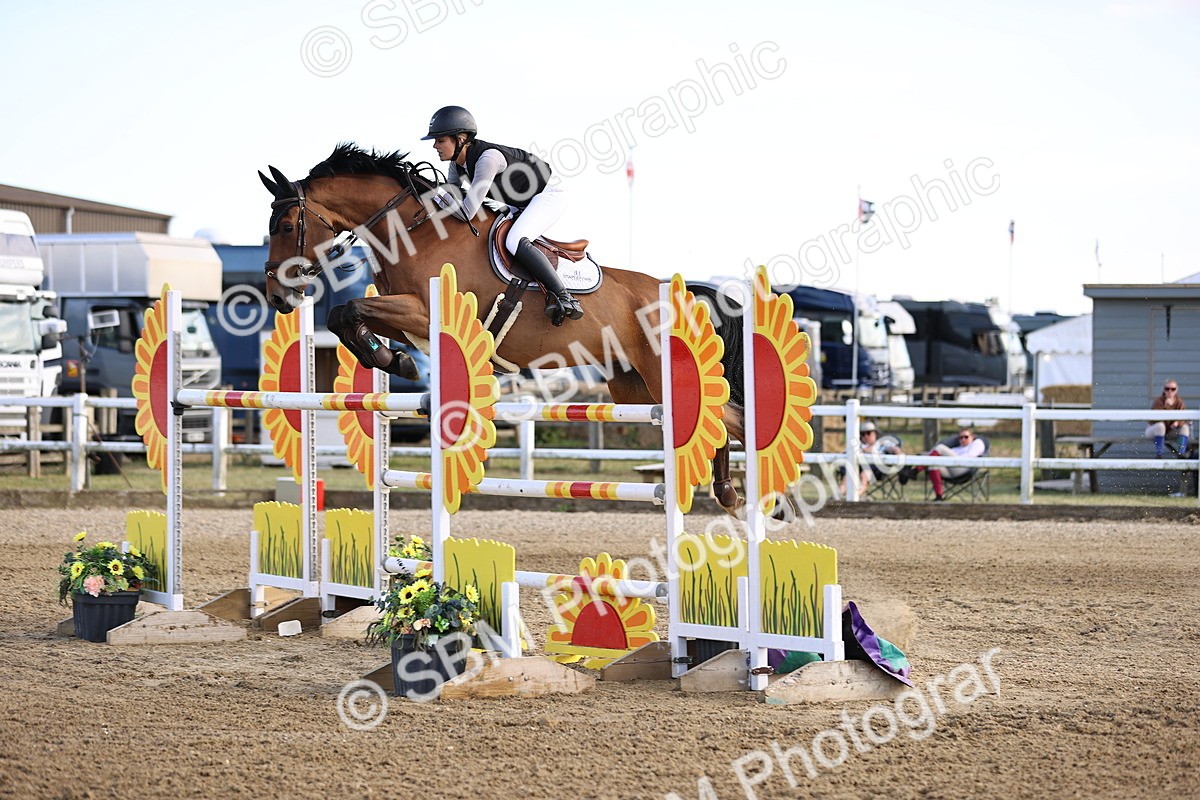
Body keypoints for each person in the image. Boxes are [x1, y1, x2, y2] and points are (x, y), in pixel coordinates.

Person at [423, 105, 583, 326]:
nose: (435, 146)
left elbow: (466, 211)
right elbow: (452, 199)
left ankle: (564, 296)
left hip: (548, 195)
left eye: (440, 140)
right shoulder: (456, 166)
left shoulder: (487, 159)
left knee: (514, 240)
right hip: (518, 203)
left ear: (460, 139)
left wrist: (436, 194)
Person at [901, 427, 985, 501]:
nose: (963, 439)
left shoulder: (977, 443)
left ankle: (915, 471)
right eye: (961, 437)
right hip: (951, 470)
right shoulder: (957, 448)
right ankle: (939, 496)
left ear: (972, 437)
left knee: (940, 448)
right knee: (933, 463)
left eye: (966, 437)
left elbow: (969, 457)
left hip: (964, 468)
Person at [842, 421, 903, 496]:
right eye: (862, 434)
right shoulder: (857, 445)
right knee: (847, 476)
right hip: (856, 467)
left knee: (864, 475)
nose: (865, 436)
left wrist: (897, 452)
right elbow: (845, 453)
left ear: (875, 433)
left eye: (868, 433)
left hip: (876, 470)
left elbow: (895, 449)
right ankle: (836, 499)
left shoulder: (883, 443)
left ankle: (854, 498)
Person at [1146, 380, 1190, 457]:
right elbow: (1155, 419)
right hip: (1155, 431)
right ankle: (1159, 455)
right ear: (1164, 390)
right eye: (1167, 389)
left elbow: (1185, 418)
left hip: (1170, 431)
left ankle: (1181, 454)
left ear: (1176, 390)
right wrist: (1167, 407)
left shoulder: (1179, 402)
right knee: (1160, 426)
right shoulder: (1159, 401)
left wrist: (1178, 422)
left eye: (1173, 389)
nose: (1170, 391)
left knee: (1185, 428)